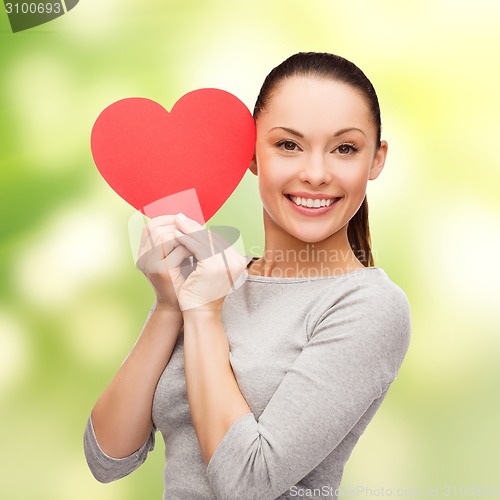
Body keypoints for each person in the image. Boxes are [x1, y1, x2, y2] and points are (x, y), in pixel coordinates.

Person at [83, 52, 412, 499]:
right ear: (252, 153)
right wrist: (167, 306)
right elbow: (107, 458)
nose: (315, 173)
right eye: (289, 145)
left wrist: (202, 316)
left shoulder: (369, 306)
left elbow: (247, 485)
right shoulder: (214, 279)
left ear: (376, 160)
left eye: (345, 148)